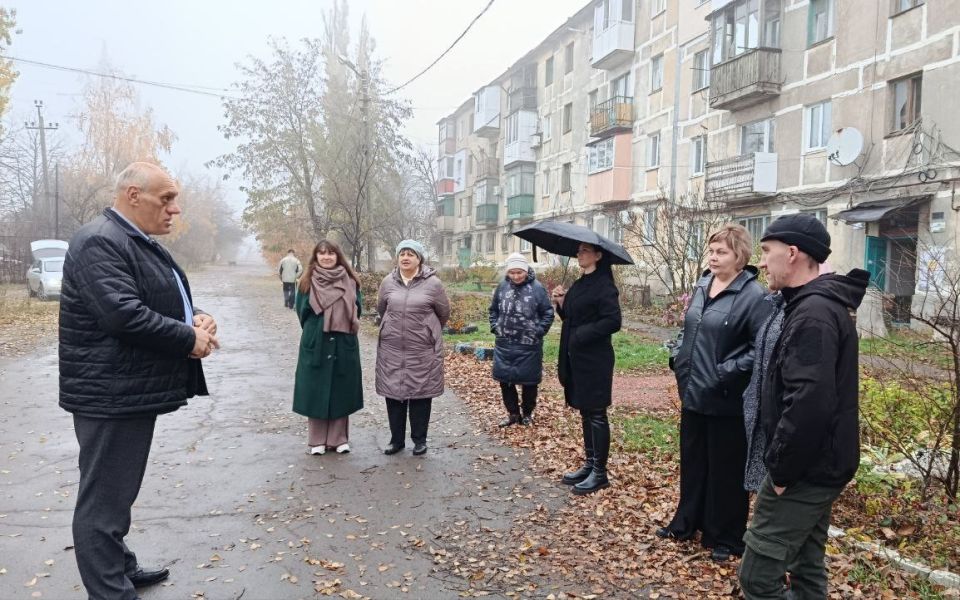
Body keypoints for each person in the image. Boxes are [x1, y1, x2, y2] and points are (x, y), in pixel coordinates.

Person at [59, 162, 219, 600]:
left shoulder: (129, 238)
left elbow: (148, 296)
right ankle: (111, 591)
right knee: (103, 503)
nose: (175, 209)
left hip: (123, 390)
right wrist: (188, 338)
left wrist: (193, 316)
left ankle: (120, 568)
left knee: (116, 493)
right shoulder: (99, 241)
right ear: (133, 195)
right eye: (166, 199)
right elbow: (123, 314)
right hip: (109, 394)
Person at [739, 214, 869, 598]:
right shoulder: (811, 306)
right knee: (807, 568)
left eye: (766, 251)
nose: (761, 262)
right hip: (819, 463)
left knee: (758, 579)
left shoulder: (813, 314)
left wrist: (781, 471)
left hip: (805, 469)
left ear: (792, 253)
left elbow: (809, 402)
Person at [657, 224, 771, 562]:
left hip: (727, 399)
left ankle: (726, 537)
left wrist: (726, 372)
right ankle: (687, 521)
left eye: (721, 252)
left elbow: (760, 348)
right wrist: (677, 356)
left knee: (726, 470)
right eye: (711, 251)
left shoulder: (754, 296)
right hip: (693, 392)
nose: (713, 257)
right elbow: (689, 328)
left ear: (740, 256)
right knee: (694, 463)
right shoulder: (703, 284)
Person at [552, 242, 622, 495]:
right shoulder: (580, 283)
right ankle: (590, 464)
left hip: (595, 359)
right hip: (576, 357)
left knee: (596, 413)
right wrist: (561, 302)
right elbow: (571, 318)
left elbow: (613, 321)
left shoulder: (604, 286)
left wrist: (582, 334)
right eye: (579, 251)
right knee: (585, 410)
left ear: (598, 255)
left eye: (584, 251)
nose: (579, 254)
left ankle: (600, 473)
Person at [375, 240, 450, 456]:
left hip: (421, 349)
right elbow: (382, 309)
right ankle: (396, 441)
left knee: (420, 394)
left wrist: (425, 330)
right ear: (397, 258)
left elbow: (443, 313)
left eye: (411, 254)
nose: (406, 258)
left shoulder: (433, 284)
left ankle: (420, 440)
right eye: (402, 254)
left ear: (419, 259)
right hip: (392, 348)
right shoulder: (387, 282)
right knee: (394, 394)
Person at [293, 239, 363, 455]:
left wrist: (340, 323)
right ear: (316, 256)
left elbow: (357, 308)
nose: (326, 257)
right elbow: (302, 312)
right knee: (315, 389)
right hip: (317, 340)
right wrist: (317, 329)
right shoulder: (306, 282)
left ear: (338, 256)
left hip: (344, 340)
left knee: (341, 388)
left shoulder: (351, 281)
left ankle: (338, 439)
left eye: (331, 253)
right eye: (322, 253)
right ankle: (317, 441)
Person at [489, 252, 554, 427]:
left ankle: (527, 414)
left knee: (529, 382)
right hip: (505, 343)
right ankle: (513, 414)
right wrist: (496, 327)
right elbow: (493, 309)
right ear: (507, 272)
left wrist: (538, 331)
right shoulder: (502, 287)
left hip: (529, 345)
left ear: (526, 271)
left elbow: (548, 312)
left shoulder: (537, 288)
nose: (516, 276)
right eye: (512, 272)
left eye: (519, 272)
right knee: (505, 380)